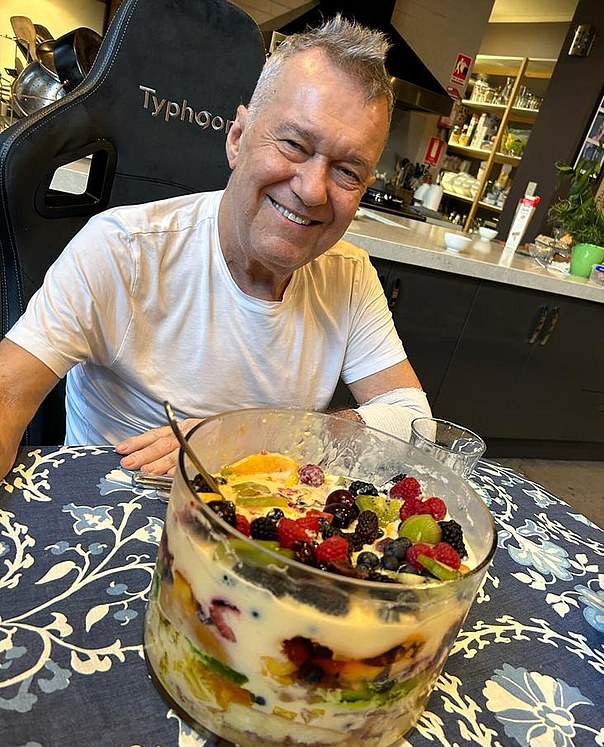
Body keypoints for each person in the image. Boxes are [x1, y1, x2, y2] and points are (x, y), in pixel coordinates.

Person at [0, 14, 432, 481]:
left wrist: (255, 436)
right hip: (117, 513)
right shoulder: (122, 249)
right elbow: (7, 393)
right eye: (293, 144)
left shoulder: (349, 276)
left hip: (261, 527)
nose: (312, 190)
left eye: (347, 171)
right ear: (238, 138)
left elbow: (412, 421)